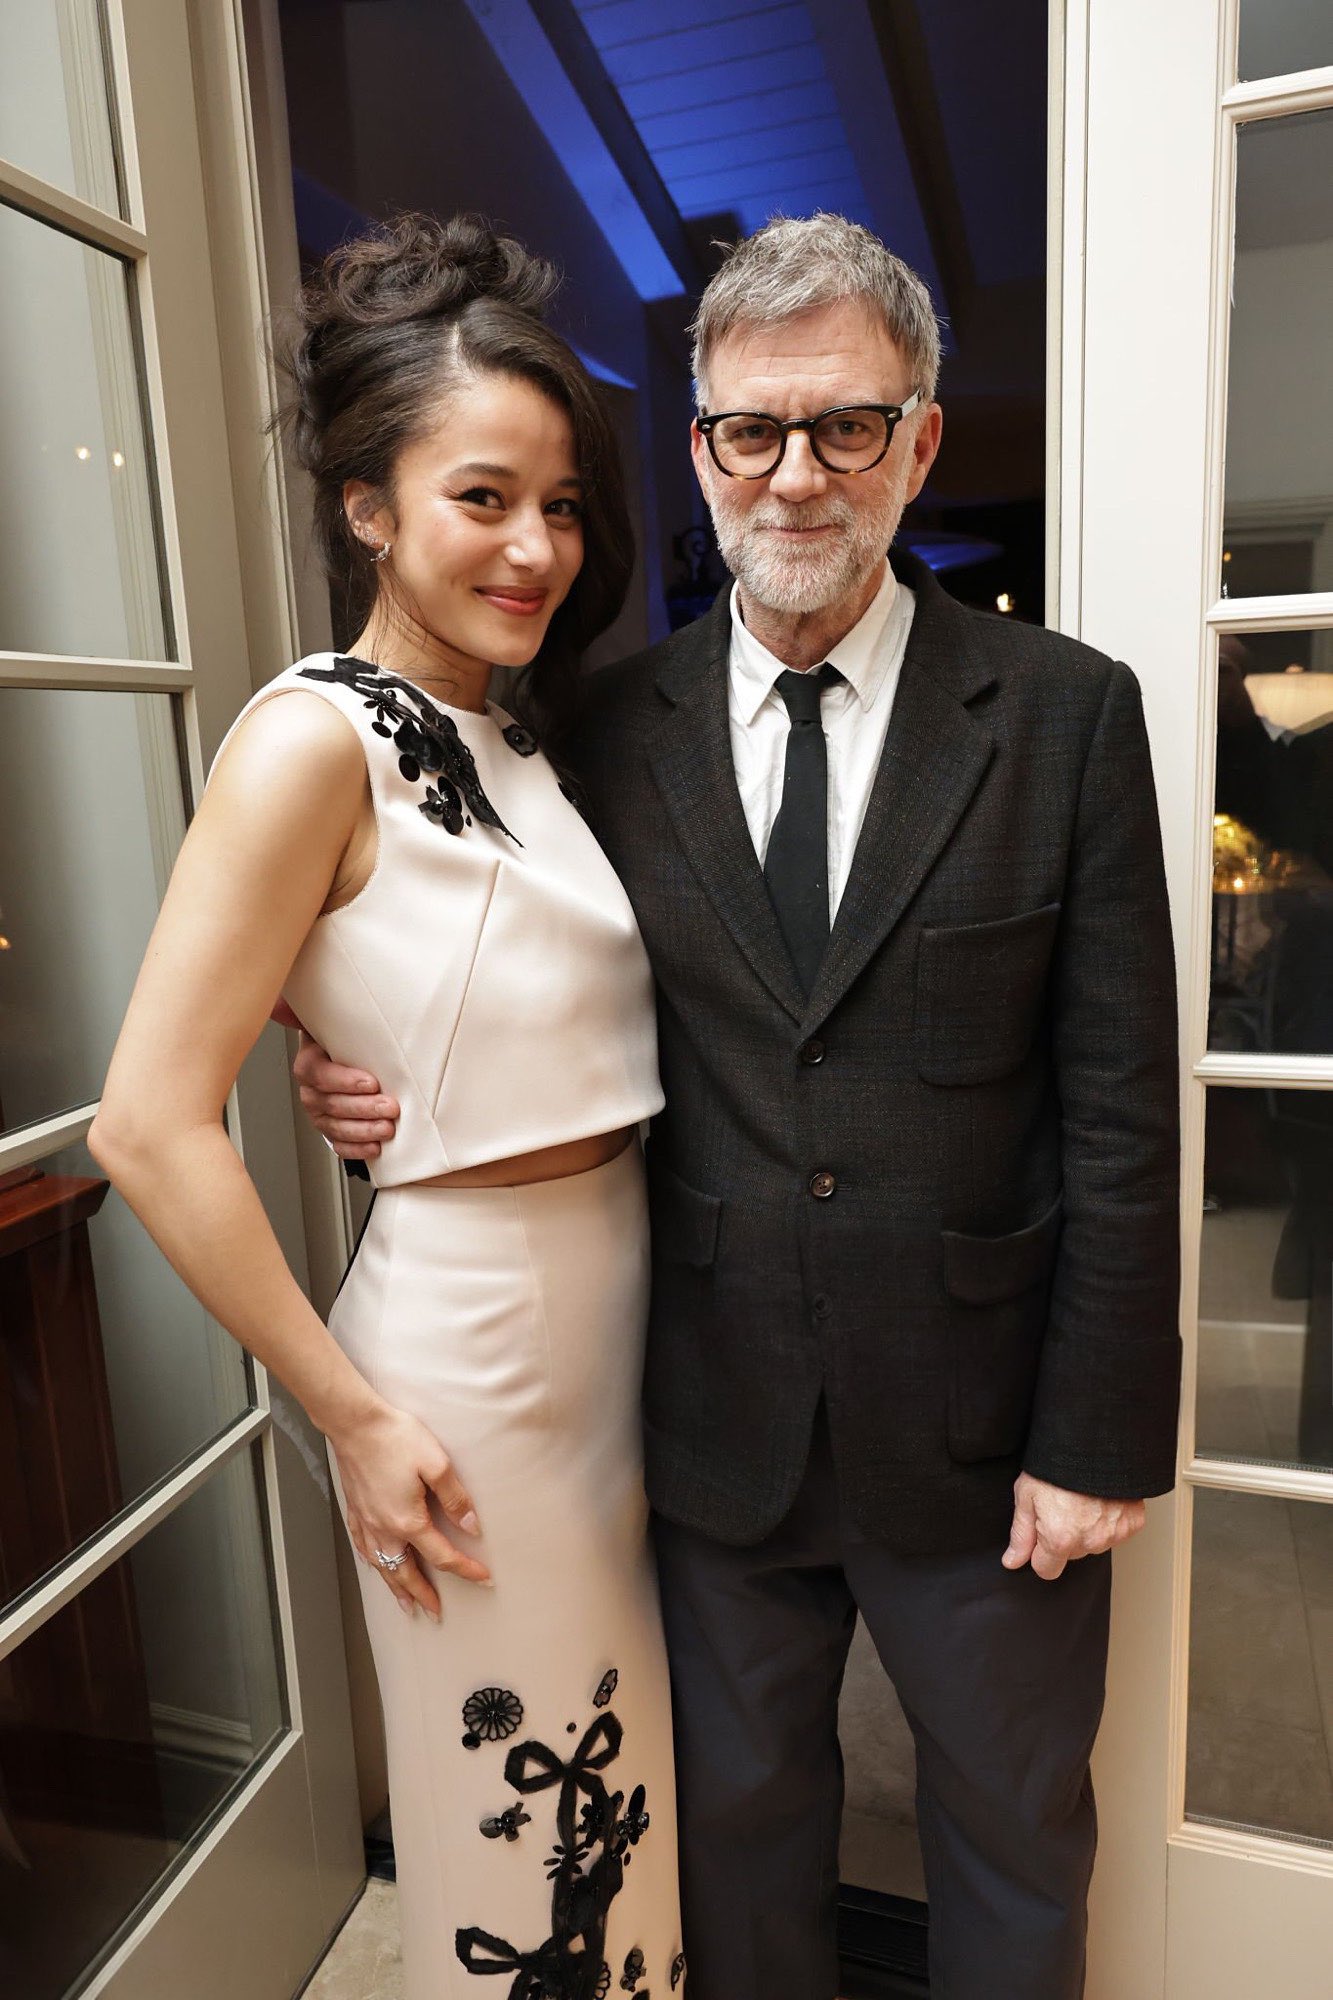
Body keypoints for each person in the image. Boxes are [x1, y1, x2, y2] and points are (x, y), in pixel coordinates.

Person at [295, 213, 1182, 2000]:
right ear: (697, 448)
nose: (794, 476)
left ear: (918, 443)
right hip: (704, 1418)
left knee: (1014, 1841)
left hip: (980, 1426)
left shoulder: (1067, 717)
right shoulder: (591, 733)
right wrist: (378, 1077)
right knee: (736, 1843)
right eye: (749, 430)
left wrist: (1096, 1436)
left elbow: (1120, 1112)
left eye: (845, 426)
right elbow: (508, 977)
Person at [89, 214, 684, 2000]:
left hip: (609, 1318)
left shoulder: (518, 730)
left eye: (560, 504)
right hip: (469, 1355)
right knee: (519, 1816)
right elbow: (143, 1123)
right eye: (480, 498)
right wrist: (348, 1414)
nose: (535, 547)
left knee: (609, 1799)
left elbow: (463, 981)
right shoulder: (309, 738)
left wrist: (354, 1036)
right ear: (368, 505)